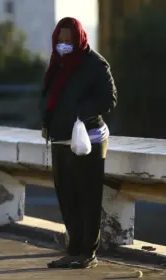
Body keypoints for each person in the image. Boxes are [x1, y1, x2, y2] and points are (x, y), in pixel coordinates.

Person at [39, 17, 117, 269]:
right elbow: (50, 97)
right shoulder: (57, 64)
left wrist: (81, 114)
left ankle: (88, 253)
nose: (63, 45)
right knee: (67, 197)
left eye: (68, 41)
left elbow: (109, 98)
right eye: (60, 41)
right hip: (60, 138)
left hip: (88, 140)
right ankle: (73, 250)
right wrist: (47, 121)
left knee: (87, 196)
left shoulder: (94, 63)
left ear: (78, 39)